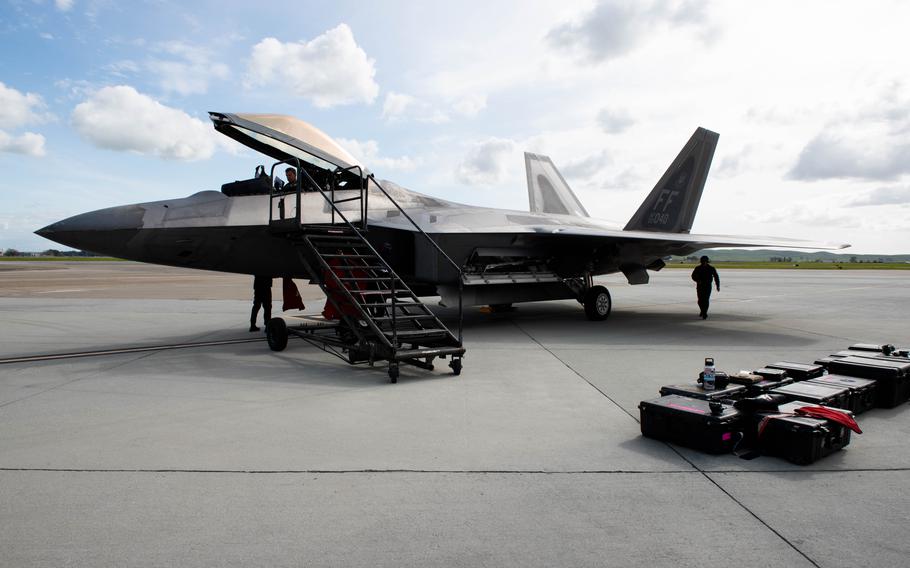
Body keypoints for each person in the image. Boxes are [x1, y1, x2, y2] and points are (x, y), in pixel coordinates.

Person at [691, 255, 720, 319]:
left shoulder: (711, 268)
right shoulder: (697, 268)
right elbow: (693, 276)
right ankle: (702, 310)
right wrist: (698, 281)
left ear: (707, 261)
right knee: (700, 300)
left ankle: (704, 313)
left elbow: (716, 277)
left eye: (705, 261)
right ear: (701, 262)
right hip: (700, 286)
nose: (704, 262)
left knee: (706, 300)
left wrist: (718, 286)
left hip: (708, 286)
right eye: (703, 261)